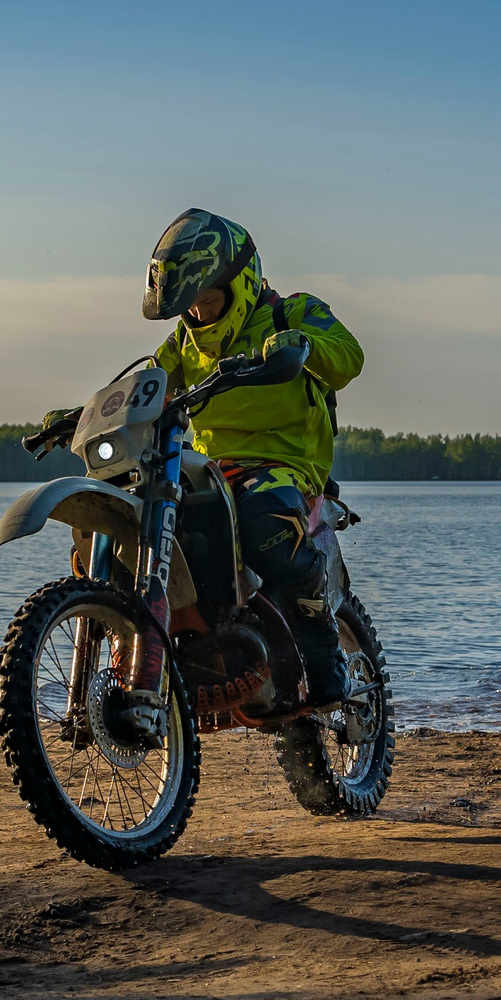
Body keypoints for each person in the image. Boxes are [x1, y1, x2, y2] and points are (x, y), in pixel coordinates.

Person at [143, 208, 364, 705]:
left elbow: (351, 355)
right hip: (208, 469)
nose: (198, 313)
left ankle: (322, 649)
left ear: (240, 284)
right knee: (146, 519)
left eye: (208, 299)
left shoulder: (293, 312)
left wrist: (303, 344)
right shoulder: (183, 341)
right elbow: (148, 385)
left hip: (284, 465)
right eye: (190, 306)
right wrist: (87, 410)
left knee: (264, 524)